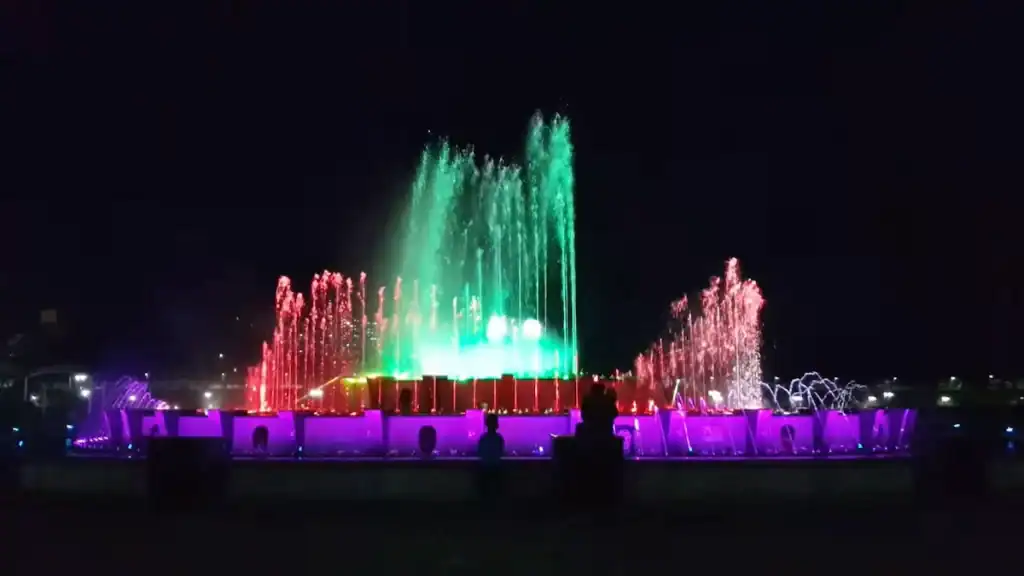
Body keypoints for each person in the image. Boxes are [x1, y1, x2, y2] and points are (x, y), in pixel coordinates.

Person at [477, 413, 505, 502]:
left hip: (484, 470)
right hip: (496, 470)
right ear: (497, 425)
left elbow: (480, 453)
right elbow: (501, 453)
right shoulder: (499, 439)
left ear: (486, 424)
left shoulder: (483, 439)